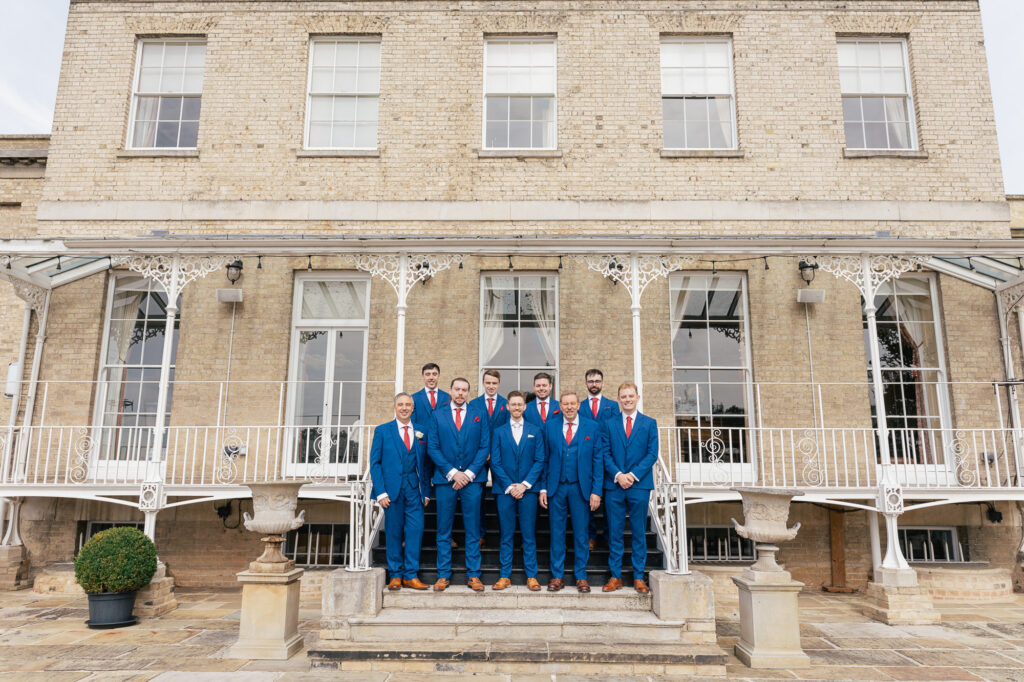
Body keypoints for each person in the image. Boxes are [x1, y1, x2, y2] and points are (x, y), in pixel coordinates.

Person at [427, 377, 490, 592]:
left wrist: (469, 474)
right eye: (457, 389)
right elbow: (433, 447)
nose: (460, 393)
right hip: (446, 480)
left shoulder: (479, 414)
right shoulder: (438, 415)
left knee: (473, 529)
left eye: (464, 390)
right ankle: (443, 575)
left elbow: (484, 446)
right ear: (451, 391)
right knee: (444, 529)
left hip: (473, 480)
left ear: (468, 392)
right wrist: (453, 473)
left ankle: (474, 575)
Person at [539, 391, 605, 593]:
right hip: (556, 487)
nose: (569, 407)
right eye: (565, 404)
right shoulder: (549, 426)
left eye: (572, 403)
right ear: (560, 405)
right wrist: (543, 487)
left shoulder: (592, 427)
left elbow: (597, 461)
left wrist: (596, 491)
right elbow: (544, 459)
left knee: (581, 533)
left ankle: (581, 576)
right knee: (556, 533)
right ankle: (557, 575)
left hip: (580, 487)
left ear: (578, 405)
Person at [369, 393, 432, 591]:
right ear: (395, 407)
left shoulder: (422, 431)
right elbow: (375, 463)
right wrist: (380, 492)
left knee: (415, 531)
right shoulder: (382, 430)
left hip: (415, 491)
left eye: (408, 405)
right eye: (401, 404)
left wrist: (426, 491)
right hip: (391, 491)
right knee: (394, 533)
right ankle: (395, 575)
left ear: (413, 408)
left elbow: (426, 465)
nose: (404, 408)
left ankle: (411, 575)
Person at [602, 382, 658, 594]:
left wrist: (632, 476)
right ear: (618, 399)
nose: (627, 400)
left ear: (637, 397)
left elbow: (652, 454)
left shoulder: (649, 423)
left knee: (638, 532)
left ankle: (638, 576)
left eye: (630, 396)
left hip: (639, 485)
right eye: (623, 396)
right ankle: (615, 576)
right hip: (614, 485)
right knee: (615, 532)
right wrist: (618, 475)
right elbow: (605, 452)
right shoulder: (608, 423)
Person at [488, 390, 546, 591]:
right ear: (507, 406)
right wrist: (510, 485)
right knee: (506, 534)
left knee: (529, 535)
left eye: (520, 404)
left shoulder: (535, 431)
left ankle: (532, 576)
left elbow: (540, 460)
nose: (516, 407)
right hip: (505, 491)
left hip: (528, 491)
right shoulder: (498, 432)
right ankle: (505, 575)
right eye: (513, 404)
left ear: (525, 407)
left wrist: (524, 485)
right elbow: (495, 462)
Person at [468, 369, 509, 548]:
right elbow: (471, 431)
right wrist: (483, 452)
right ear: (483, 383)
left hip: (501, 457)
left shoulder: (505, 404)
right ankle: (480, 534)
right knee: (478, 497)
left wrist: (495, 451)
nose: (491, 386)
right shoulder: (474, 404)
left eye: (494, 383)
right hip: (479, 456)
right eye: (488, 383)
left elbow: (507, 431)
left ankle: (503, 534)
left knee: (502, 496)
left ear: (499, 384)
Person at [579, 368, 620, 550]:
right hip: (587, 460)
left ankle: (608, 535)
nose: (594, 384)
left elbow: (616, 432)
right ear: (586, 383)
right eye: (591, 381)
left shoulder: (612, 406)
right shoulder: (580, 406)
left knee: (609, 501)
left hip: (608, 458)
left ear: (602, 383)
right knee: (588, 499)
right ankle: (591, 535)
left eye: (597, 381)